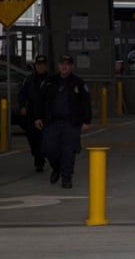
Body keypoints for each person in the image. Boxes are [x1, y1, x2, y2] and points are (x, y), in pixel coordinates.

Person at [34, 54, 92, 189]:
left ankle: (66, 178)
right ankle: (56, 168)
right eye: (62, 64)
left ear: (72, 66)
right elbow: (39, 101)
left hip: (71, 123)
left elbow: (85, 102)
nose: (64, 66)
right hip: (52, 122)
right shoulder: (50, 81)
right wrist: (37, 117)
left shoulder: (78, 82)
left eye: (67, 64)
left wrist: (87, 121)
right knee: (49, 149)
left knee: (69, 152)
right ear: (58, 66)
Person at [18, 55, 49, 172]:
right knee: (32, 139)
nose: (40, 67)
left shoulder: (51, 79)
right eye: (38, 65)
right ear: (35, 66)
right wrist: (22, 106)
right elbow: (22, 94)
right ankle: (38, 158)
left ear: (46, 66)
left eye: (42, 65)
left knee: (44, 139)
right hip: (32, 114)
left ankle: (40, 159)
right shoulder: (29, 79)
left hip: (45, 114)